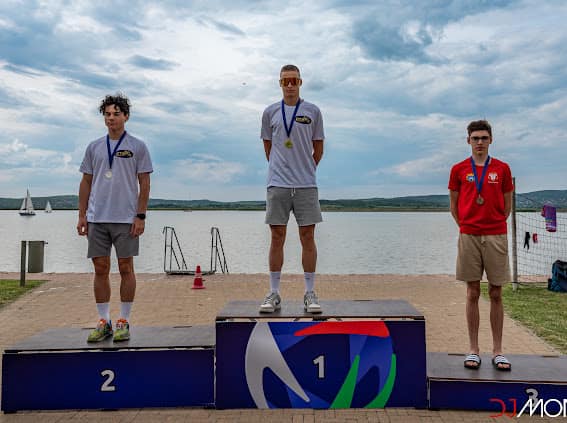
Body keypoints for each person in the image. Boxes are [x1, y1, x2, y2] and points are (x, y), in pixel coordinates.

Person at [77, 93, 153, 342]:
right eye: (107, 114)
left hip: (126, 218)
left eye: (116, 114)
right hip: (97, 217)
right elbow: (86, 181)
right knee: (100, 268)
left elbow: (144, 183)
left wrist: (140, 215)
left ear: (126, 116)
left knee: (125, 267)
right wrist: (82, 215)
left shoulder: (138, 146)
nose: (111, 118)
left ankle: (124, 320)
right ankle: (104, 321)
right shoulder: (94, 147)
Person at [259, 64, 325, 314]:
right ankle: (274, 293)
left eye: (294, 81)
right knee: (277, 237)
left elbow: (318, 147)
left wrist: (305, 168)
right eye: (285, 81)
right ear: (280, 83)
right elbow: (268, 148)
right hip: (278, 184)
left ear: (300, 83)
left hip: (306, 184)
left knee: (308, 236)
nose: (289, 85)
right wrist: (281, 169)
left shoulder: (313, 111)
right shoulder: (270, 112)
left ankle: (309, 293)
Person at [448, 120, 513, 371]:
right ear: (468, 141)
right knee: (472, 292)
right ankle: (473, 349)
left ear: (491, 140)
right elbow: (454, 205)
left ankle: (498, 351)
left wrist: (493, 224)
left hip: (496, 234)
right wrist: (466, 225)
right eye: (475, 138)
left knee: (496, 292)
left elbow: (506, 206)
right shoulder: (458, 169)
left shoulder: (502, 169)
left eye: (484, 138)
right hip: (469, 235)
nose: (479, 142)